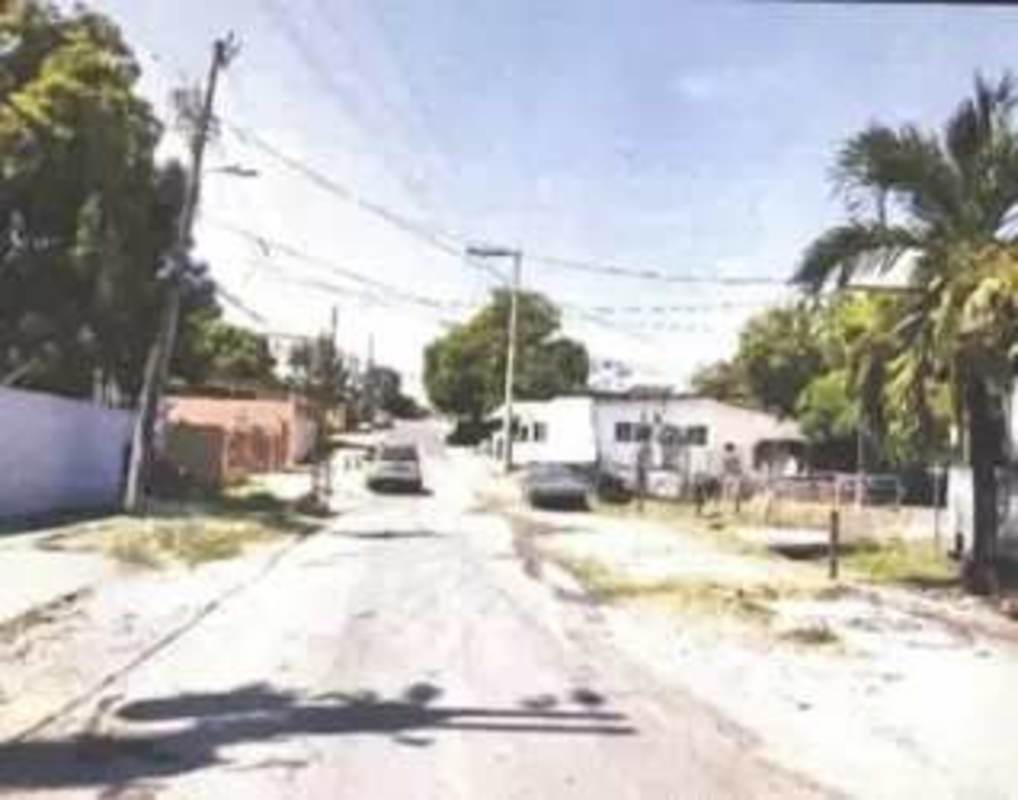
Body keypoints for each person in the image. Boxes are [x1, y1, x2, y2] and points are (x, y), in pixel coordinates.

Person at [721, 442, 743, 513]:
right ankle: (736, 507)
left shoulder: (726, 457)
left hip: (730, 475)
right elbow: (738, 466)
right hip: (733, 475)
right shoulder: (735, 456)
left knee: (728, 493)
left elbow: (725, 467)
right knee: (734, 492)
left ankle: (731, 507)